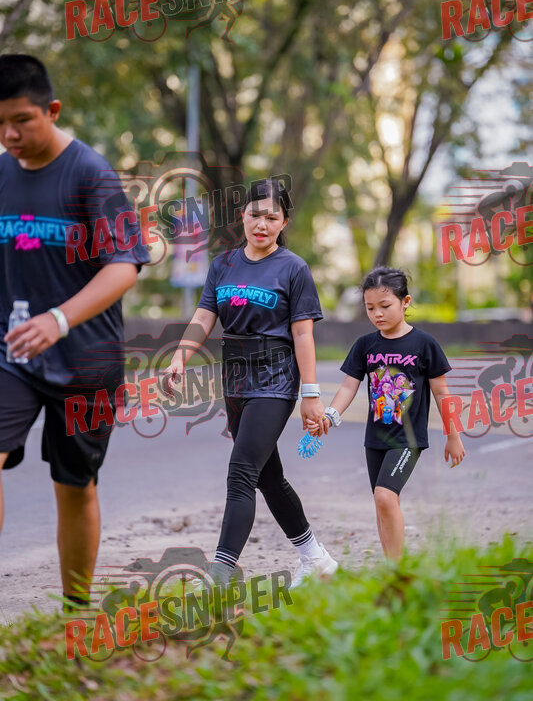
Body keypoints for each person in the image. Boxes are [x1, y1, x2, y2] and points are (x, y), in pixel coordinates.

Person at [0, 54, 149, 606]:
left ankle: (75, 612)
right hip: (12, 350)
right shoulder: (0, 173)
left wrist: (59, 318)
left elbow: (124, 265)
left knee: (74, 487)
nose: (10, 135)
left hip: (86, 358)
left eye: (21, 120)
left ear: (53, 110)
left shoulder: (90, 173)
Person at [166, 178, 338, 587]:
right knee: (267, 476)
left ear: (284, 222)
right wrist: (179, 356)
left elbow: (303, 335)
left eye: (272, 217)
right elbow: (204, 316)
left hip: (275, 379)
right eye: (255, 215)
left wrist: (311, 394)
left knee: (241, 472)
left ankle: (220, 576)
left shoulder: (293, 268)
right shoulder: (222, 265)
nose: (262, 224)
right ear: (242, 216)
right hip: (235, 380)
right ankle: (315, 557)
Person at [308, 266, 465, 561]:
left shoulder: (424, 344)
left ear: (405, 302)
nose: (377, 314)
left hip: (407, 440)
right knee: (384, 503)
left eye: (385, 305)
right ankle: (392, 569)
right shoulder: (365, 345)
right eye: (370, 308)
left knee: (384, 495)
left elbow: (443, 394)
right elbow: (348, 387)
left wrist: (453, 436)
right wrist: (329, 416)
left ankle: (398, 569)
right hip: (375, 439)